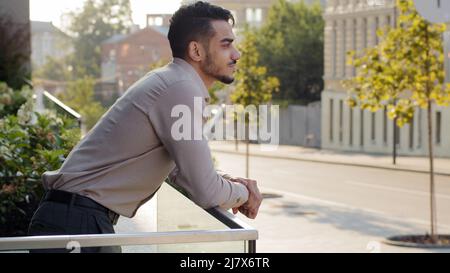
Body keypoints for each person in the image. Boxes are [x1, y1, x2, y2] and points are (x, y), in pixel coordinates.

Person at [28, 1, 263, 253]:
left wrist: (229, 182)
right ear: (196, 50)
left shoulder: (173, 81)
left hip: (81, 219)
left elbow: (181, 172)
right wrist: (243, 193)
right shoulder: (180, 89)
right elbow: (204, 191)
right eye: (226, 44)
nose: (236, 54)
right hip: (76, 223)